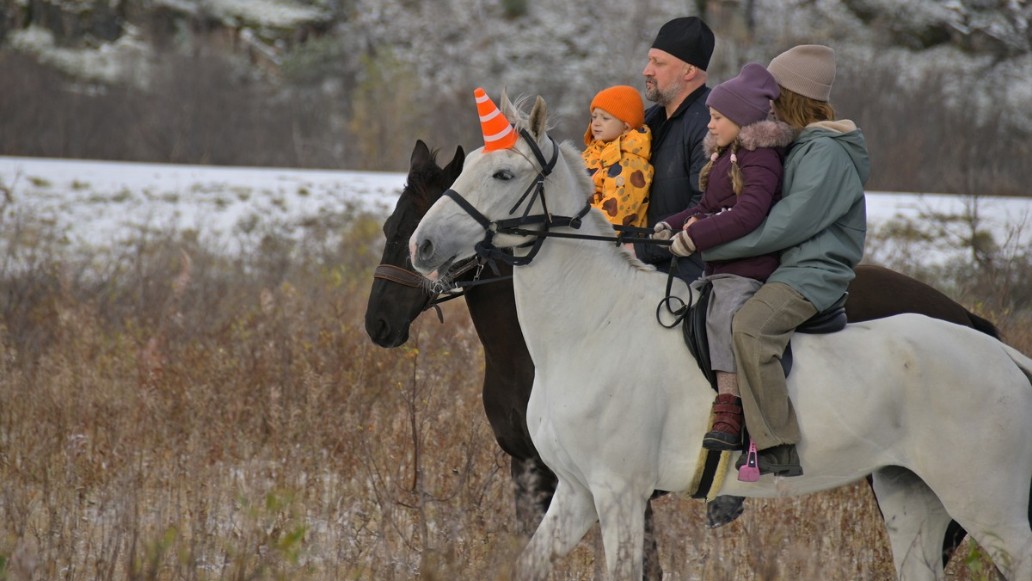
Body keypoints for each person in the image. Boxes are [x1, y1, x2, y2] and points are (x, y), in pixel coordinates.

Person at [701, 44, 870, 477]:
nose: (766, 104)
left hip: (813, 270)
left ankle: (776, 445)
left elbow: (787, 225)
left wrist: (711, 246)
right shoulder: (797, 147)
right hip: (787, 265)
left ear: (791, 98)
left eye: (774, 95)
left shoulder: (826, 153)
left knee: (752, 328)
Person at [658, 63, 794, 451]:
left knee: (723, 316)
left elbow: (748, 214)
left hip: (748, 270)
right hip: (719, 266)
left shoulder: (761, 160)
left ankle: (730, 404)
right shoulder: (726, 157)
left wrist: (695, 237)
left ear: (742, 120)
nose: (710, 125)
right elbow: (706, 206)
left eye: (717, 118)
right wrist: (669, 226)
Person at [631, 16, 715, 283]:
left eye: (659, 63)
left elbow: (704, 206)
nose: (647, 70)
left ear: (689, 71)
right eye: (649, 60)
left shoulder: (709, 124)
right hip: (642, 266)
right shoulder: (647, 121)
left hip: (684, 275)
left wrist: (638, 249)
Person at [581, 85, 654, 228]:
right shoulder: (590, 154)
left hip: (610, 243)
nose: (596, 123)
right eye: (594, 117)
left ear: (626, 126)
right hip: (579, 233)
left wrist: (573, 220)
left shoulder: (632, 163)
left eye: (605, 118)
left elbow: (614, 215)